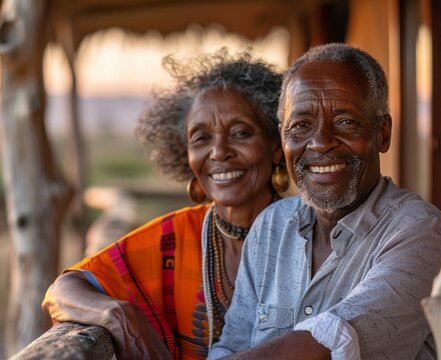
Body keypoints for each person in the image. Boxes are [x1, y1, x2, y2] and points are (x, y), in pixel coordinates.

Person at [42, 49, 286, 360]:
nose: (219, 152)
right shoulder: (173, 238)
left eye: (240, 133)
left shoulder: (312, 235)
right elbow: (62, 291)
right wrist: (119, 315)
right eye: (201, 138)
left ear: (277, 147)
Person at [208, 43, 441, 360]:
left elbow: (331, 343)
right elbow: (231, 346)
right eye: (301, 125)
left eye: (345, 121)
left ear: (383, 134)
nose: (320, 143)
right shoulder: (271, 226)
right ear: (283, 138)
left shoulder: (420, 231)